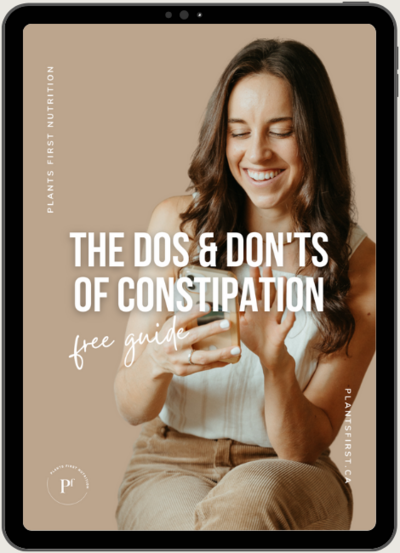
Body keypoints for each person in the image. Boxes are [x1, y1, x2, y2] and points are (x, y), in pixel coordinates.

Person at [114, 39, 375, 531]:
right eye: (238, 133)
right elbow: (130, 404)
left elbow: (305, 444)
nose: (256, 153)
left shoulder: (362, 266)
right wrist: (159, 358)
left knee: (244, 512)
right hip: (168, 462)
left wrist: (275, 364)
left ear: (316, 137)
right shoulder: (177, 225)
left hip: (288, 470)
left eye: (281, 132)